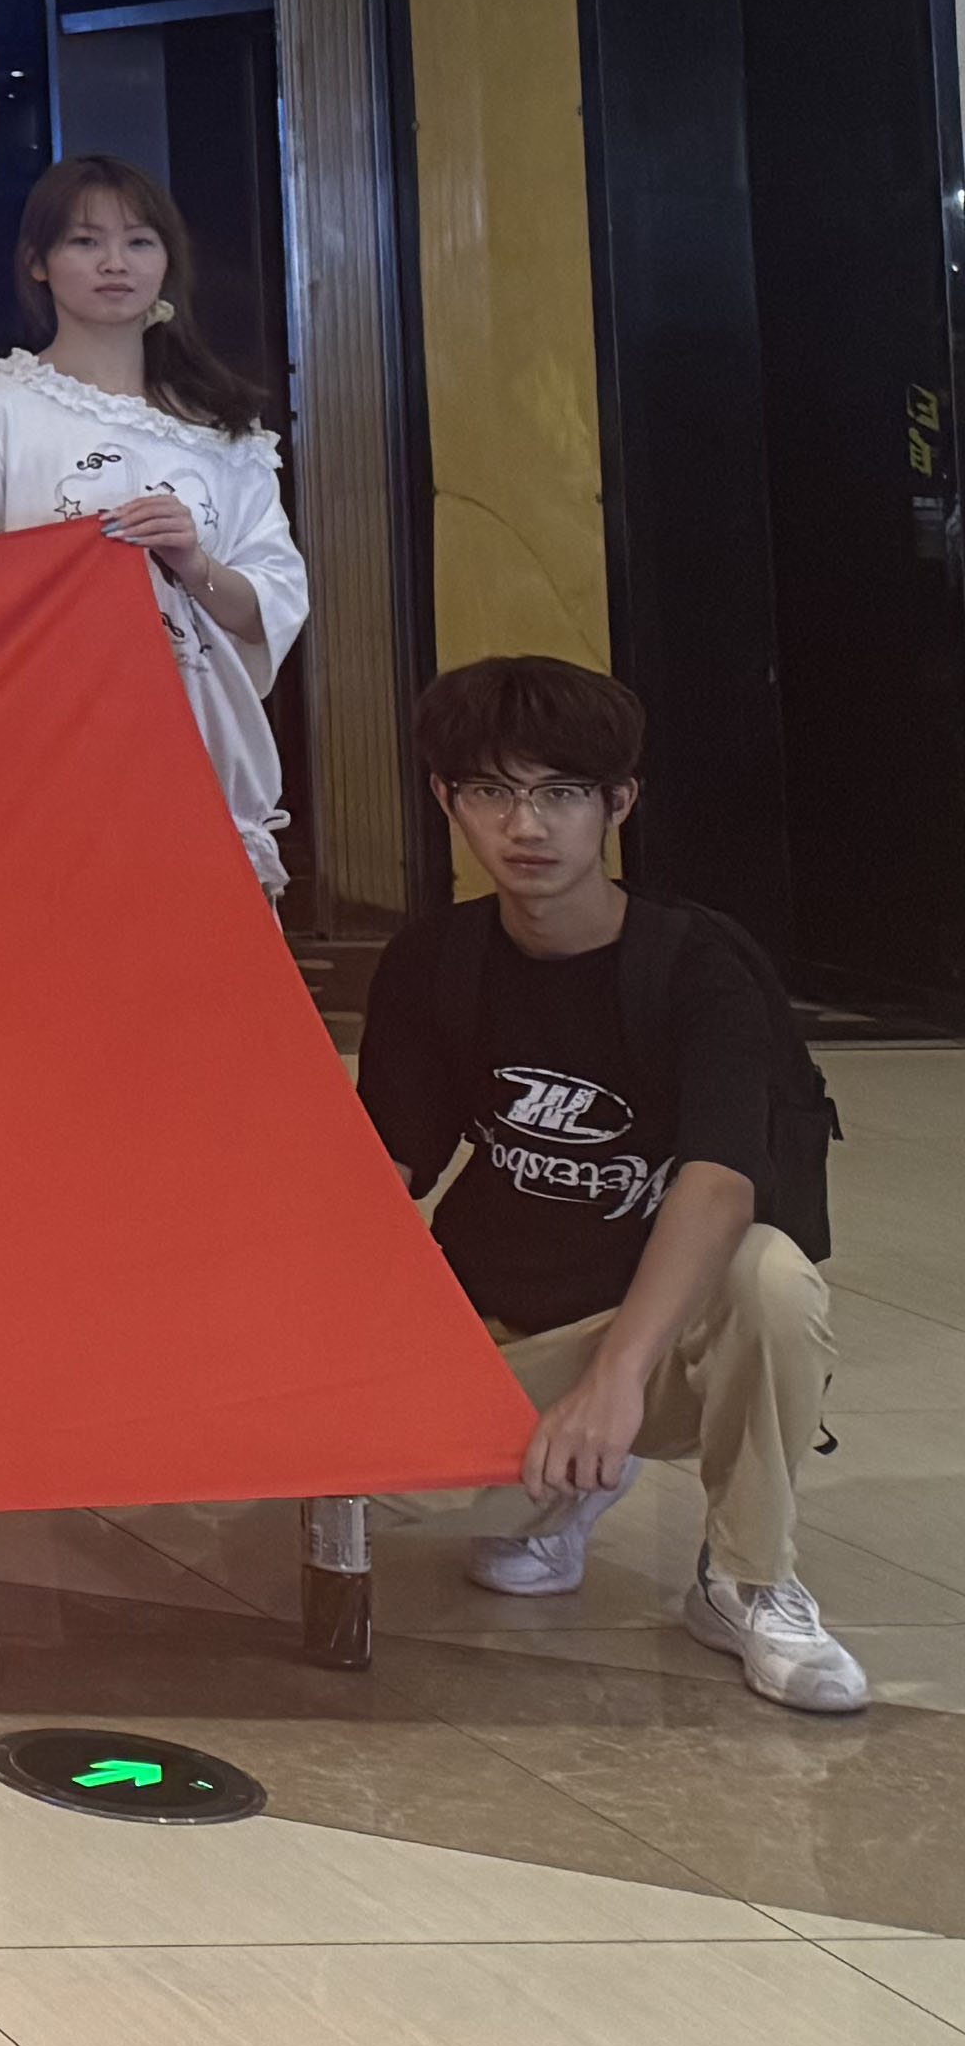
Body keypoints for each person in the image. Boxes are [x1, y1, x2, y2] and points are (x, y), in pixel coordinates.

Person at [351, 656, 859, 1714]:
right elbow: (384, 1173)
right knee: (337, 1487)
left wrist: (617, 1378)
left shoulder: (698, 964)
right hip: (508, 1331)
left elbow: (722, 1181)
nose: (525, 826)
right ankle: (565, 1492)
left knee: (769, 1276)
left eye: (562, 793)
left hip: (660, 1345)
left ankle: (748, 1577)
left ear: (618, 804)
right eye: (491, 791)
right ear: (447, 799)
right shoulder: (434, 961)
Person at [0, 151, 309, 889]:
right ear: (38, 263)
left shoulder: (224, 429)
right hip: (44, 745)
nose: (114, 263)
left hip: (201, 739)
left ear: (167, 261)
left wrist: (194, 564)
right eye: (85, 241)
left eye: (139, 241)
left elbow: (272, 606)